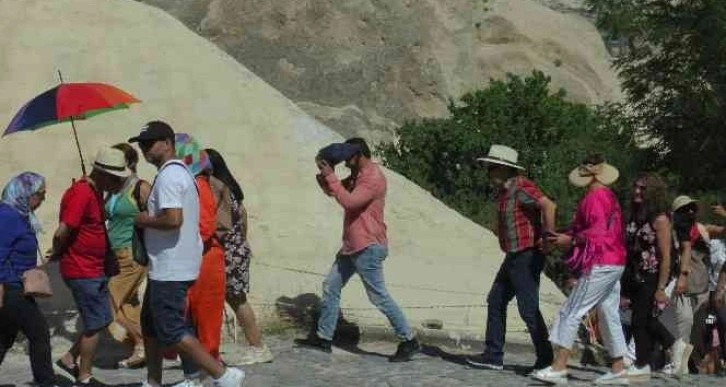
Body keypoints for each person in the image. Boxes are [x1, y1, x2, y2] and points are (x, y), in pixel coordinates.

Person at [128, 121, 244, 387]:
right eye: (142, 144)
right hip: (167, 265)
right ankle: (155, 381)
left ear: (168, 144)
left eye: (150, 143)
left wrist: (143, 219)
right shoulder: (177, 173)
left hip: (171, 267)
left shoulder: (170, 176)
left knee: (170, 329)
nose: (144, 148)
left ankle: (222, 375)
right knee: (152, 325)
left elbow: (173, 219)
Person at [296, 137, 420, 362]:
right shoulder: (357, 176)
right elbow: (334, 191)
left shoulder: (372, 178)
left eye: (348, 158)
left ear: (358, 155)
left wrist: (331, 177)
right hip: (352, 246)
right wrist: (325, 173)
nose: (346, 162)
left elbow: (350, 202)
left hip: (368, 246)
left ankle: (409, 340)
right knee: (330, 286)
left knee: (379, 297)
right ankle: (324, 338)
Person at [533, 154, 629, 385]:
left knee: (572, 310)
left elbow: (595, 233)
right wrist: (567, 236)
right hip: (615, 260)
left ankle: (559, 366)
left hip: (601, 261)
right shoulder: (608, 196)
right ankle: (619, 368)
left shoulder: (594, 198)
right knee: (608, 312)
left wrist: (571, 240)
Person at [465, 144, 555, 371]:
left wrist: (548, 237)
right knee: (496, 300)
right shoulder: (505, 192)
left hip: (526, 255)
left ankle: (546, 360)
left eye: (492, 167)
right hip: (514, 256)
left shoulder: (521, 186)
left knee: (528, 308)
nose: (489, 172)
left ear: (505, 169)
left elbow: (548, 205)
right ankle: (493, 355)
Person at [50, 147, 128, 386]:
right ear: (103, 174)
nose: (119, 184)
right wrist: (58, 250)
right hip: (82, 269)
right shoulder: (82, 193)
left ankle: (69, 358)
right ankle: (84, 377)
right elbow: (63, 230)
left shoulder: (93, 191)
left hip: (93, 268)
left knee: (102, 319)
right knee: (94, 325)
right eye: (116, 179)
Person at [206, 148, 273, 365]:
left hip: (228, 251)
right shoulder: (231, 190)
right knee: (233, 298)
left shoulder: (217, 189)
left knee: (237, 299)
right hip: (236, 250)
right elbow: (243, 220)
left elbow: (219, 224)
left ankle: (258, 346)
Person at [173, 134, 227, 386]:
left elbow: (205, 227)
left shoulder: (199, 185)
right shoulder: (189, 184)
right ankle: (194, 375)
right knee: (186, 320)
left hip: (205, 261)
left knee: (205, 323)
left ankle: (212, 374)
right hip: (194, 260)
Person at [0, 172, 56, 387]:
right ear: (26, 193)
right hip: (11, 286)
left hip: (17, 284)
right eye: (40, 195)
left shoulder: (20, 214)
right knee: (39, 332)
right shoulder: (8, 216)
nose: (42, 199)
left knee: (4, 337)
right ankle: (46, 381)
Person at [622, 173, 676, 380]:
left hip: (651, 275)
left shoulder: (660, 218)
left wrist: (661, 287)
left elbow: (665, 256)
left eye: (642, 188)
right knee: (640, 320)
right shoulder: (635, 215)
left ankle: (642, 363)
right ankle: (650, 358)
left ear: (652, 192)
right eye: (635, 186)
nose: (637, 191)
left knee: (640, 321)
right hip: (633, 274)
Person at [103, 143, 151, 368]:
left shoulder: (140, 187)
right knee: (129, 306)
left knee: (107, 303)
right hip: (114, 256)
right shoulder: (114, 189)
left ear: (129, 163)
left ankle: (144, 343)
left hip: (132, 255)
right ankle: (143, 348)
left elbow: (156, 217)